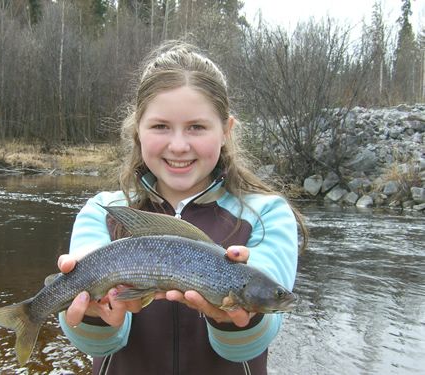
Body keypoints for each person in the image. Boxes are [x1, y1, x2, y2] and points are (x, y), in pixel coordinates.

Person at [57, 40, 308, 375]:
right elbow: (96, 344)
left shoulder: (267, 214)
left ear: (225, 131)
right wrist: (93, 314)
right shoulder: (103, 212)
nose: (178, 145)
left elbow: (252, 343)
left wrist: (237, 321)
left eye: (197, 127)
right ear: (138, 131)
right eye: (161, 126)